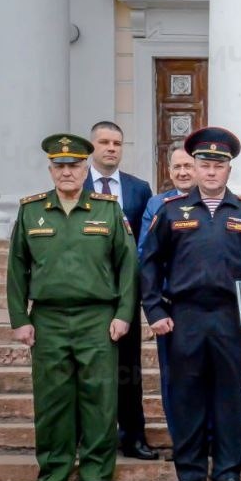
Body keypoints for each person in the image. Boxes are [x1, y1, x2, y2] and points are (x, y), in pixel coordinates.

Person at [139, 127, 241, 481]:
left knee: (229, 397)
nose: (211, 171)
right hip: (184, 317)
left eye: (219, 165)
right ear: (195, 168)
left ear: (229, 170)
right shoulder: (171, 212)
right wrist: (154, 310)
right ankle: (189, 472)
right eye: (205, 164)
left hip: (231, 318)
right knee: (186, 395)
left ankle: (228, 472)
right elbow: (149, 264)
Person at [7, 134, 136, 481]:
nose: (67, 172)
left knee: (100, 397)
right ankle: (54, 472)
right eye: (60, 166)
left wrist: (124, 313)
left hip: (97, 318)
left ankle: (97, 471)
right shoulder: (31, 210)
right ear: (51, 170)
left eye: (74, 165)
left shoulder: (107, 209)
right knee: (52, 399)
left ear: (85, 169)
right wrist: (20, 317)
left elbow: (127, 266)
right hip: (47, 318)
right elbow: (16, 267)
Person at [84, 120, 156, 461]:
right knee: (88, 371)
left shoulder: (139, 189)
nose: (111, 148)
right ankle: (91, 437)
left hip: (125, 293)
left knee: (129, 371)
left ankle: (133, 436)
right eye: (104, 142)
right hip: (86, 295)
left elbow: (144, 243)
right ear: (91, 147)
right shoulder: (75, 184)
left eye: (117, 143)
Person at [137, 143, 195, 439]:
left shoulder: (224, 203)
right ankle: (181, 439)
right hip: (172, 305)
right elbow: (146, 256)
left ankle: (210, 440)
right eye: (178, 167)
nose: (183, 172)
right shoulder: (157, 204)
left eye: (188, 166)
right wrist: (155, 306)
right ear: (169, 171)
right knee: (174, 378)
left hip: (212, 307)